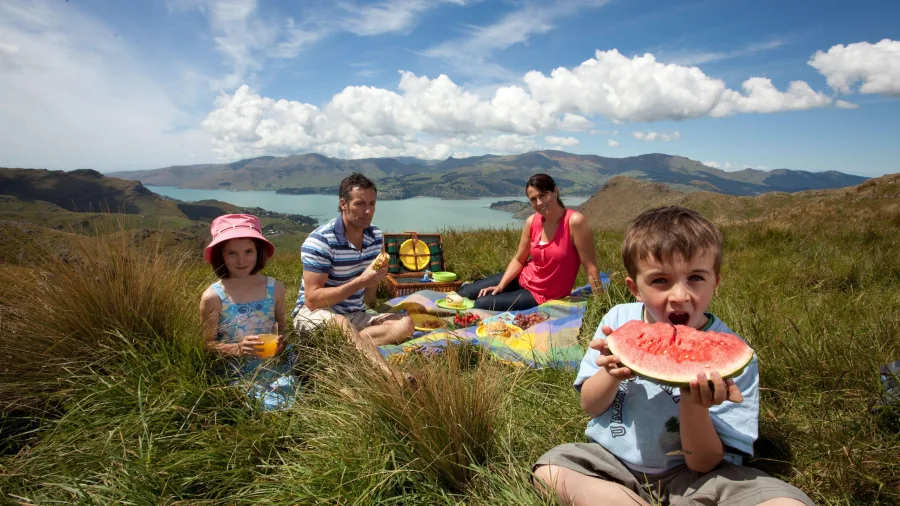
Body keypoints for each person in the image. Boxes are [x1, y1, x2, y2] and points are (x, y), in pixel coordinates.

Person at [532, 206, 814, 506]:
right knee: (551, 469)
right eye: (660, 281)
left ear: (715, 284)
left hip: (696, 478)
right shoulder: (617, 322)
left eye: (695, 277)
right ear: (635, 288)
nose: (679, 295)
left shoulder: (738, 357)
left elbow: (703, 462)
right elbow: (590, 406)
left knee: (787, 503)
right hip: (612, 462)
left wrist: (694, 404)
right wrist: (609, 375)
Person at [292, 173, 414, 375]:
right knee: (340, 323)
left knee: (405, 323)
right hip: (313, 314)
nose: (368, 211)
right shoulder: (320, 241)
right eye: (359, 204)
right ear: (343, 204)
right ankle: (391, 376)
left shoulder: (375, 236)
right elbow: (312, 300)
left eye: (372, 203)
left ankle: (344, 346)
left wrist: (374, 285)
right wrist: (362, 281)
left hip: (354, 314)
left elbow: (369, 292)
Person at [458, 173, 602, 311]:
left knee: (481, 302)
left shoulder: (574, 222)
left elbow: (590, 268)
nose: (539, 203)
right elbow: (519, 259)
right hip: (523, 277)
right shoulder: (532, 222)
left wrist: (600, 305)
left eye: (543, 195)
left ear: (555, 191)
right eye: (533, 199)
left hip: (543, 294)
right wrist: (501, 286)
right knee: (465, 292)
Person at [199, 213, 296, 410]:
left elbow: (283, 328)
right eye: (232, 253)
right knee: (258, 406)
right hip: (234, 371)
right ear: (221, 256)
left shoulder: (275, 289)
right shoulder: (214, 297)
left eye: (249, 251)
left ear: (259, 252)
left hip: (273, 366)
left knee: (291, 401)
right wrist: (238, 349)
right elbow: (205, 345)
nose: (241, 260)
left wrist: (282, 343)